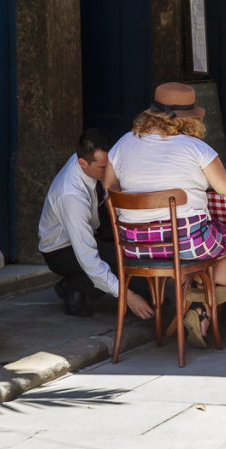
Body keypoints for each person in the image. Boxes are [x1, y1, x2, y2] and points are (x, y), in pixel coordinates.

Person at [104, 82, 226, 348]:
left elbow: (109, 189)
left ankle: (192, 308)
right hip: (187, 243)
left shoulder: (122, 144)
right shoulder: (196, 148)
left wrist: (141, 196)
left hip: (136, 247)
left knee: (210, 243)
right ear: (189, 119)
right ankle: (200, 310)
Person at [38, 130, 155, 319]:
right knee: (128, 272)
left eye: (110, 164)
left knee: (135, 257)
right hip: (61, 251)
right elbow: (88, 258)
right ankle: (74, 286)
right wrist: (128, 298)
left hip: (94, 229)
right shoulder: (71, 195)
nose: (108, 171)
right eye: (102, 167)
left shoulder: (89, 160)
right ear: (82, 163)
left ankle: (80, 284)